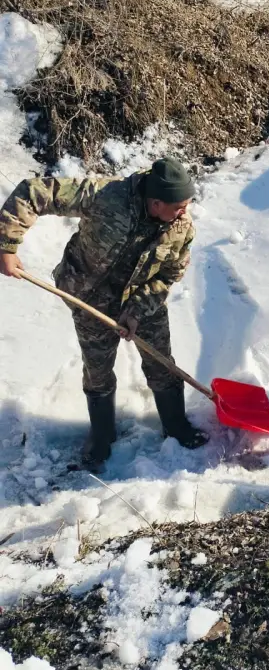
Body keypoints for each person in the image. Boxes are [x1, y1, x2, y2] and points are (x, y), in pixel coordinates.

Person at [0, 158, 208, 468]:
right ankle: (102, 435)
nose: (184, 212)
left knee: (162, 364)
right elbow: (34, 192)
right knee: (97, 371)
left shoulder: (181, 228)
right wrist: (7, 245)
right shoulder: (105, 195)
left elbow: (169, 273)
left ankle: (176, 426)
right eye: (178, 206)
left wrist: (137, 311)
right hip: (91, 298)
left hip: (142, 298)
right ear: (155, 202)